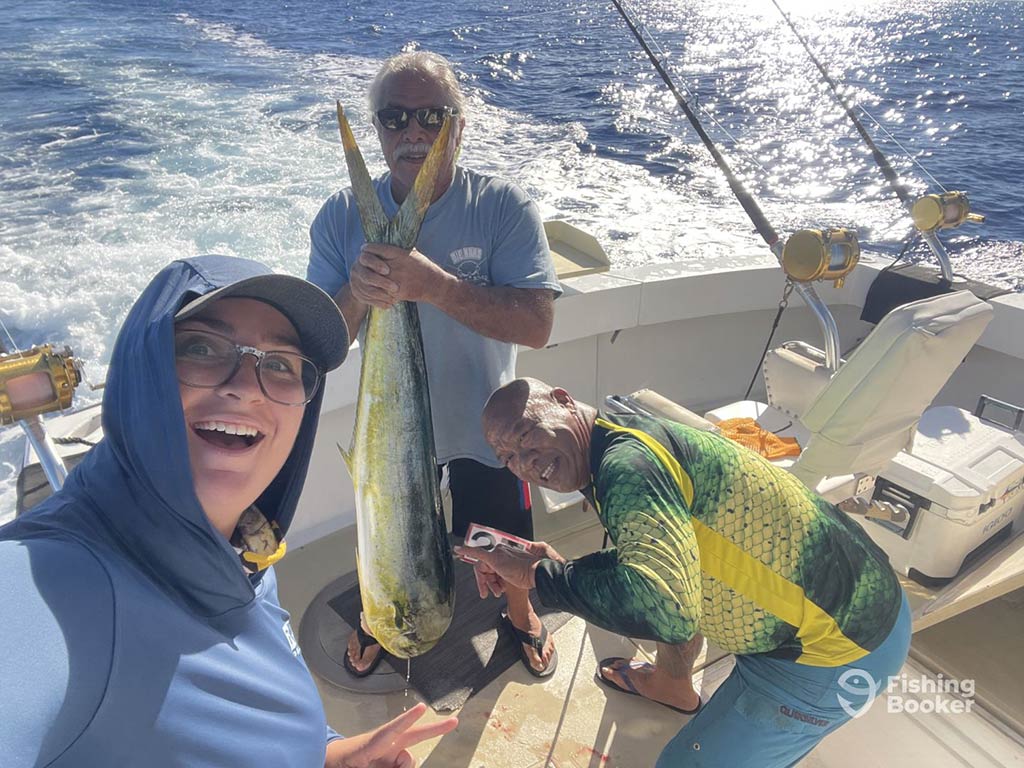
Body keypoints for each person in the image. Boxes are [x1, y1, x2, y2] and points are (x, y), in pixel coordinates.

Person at [0, 255, 457, 768]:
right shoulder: (57, 584)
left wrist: (329, 754)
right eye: (202, 348)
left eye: (280, 364)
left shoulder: (248, 545)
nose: (245, 386)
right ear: (139, 369)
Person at [456, 378, 912, 768]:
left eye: (526, 435)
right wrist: (552, 567)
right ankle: (671, 684)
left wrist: (540, 577)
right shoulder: (615, 436)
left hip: (838, 649)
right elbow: (663, 565)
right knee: (658, 573)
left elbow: (667, 610)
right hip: (846, 593)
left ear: (563, 400)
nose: (525, 462)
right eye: (507, 457)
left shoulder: (626, 469)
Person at [307, 51, 561, 678]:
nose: (413, 132)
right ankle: (377, 617)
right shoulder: (340, 216)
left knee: (500, 541)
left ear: (459, 126)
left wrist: (435, 286)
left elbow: (537, 325)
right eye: (395, 118)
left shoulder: (501, 206)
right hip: (389, 443)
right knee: (386, 538)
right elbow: (321, 341)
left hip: (487, 431)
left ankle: (521, 614)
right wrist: (357, 294)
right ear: (377, 129)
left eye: (432, 116)